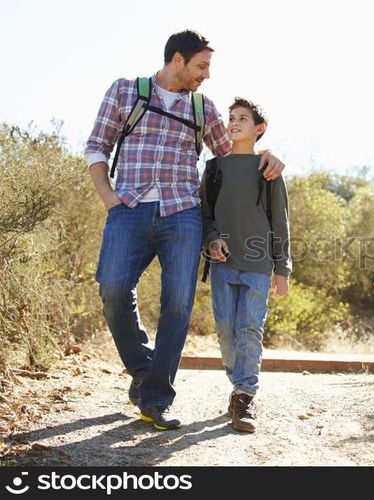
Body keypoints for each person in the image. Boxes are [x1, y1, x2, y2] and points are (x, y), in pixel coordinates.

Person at [85, 30, 285, 431]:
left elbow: (232, 156)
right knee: (111, 288)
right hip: (129, 208)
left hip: (183, 214)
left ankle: (157, 399)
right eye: (202, 65)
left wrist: (269, 156)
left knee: (177, 305)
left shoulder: (202, 107)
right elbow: (96, 147)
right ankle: (144, 370)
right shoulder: (126, 92)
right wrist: (109, 197)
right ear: (178, 59)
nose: (207, 75)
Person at [201, 97, 291, 433]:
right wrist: (211, 239)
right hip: (223, 264)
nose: (235, 123)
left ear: (259, 129)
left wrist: (283, 269)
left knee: (250, 329)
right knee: (226, 331)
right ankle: (237, 382)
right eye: (232, 118)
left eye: (243, 118)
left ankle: (245, 396)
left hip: (257, 263)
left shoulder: (268, 170)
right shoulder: (214, 168)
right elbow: (205, 213)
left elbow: (280, 222)